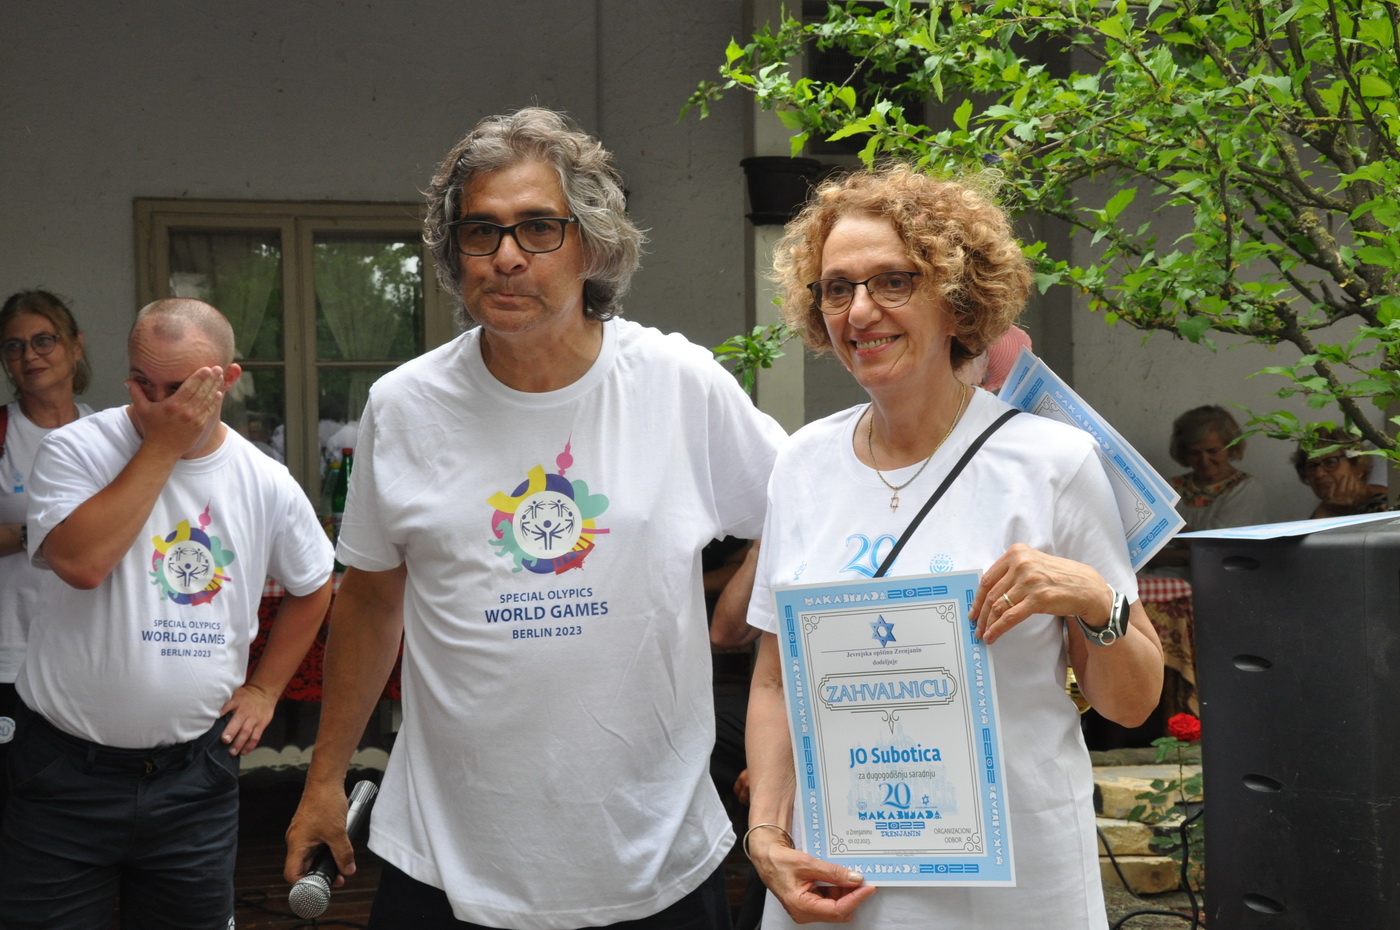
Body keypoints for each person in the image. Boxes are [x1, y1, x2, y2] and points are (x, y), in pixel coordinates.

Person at [283, 107, 786, 930]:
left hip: (650, 858)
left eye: (539, 228)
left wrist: (760, 640)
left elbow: (809, 512)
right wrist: (323, 779)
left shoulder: (677, 385)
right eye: (480, 232)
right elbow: (370, 601)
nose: (507, 256)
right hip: (447, 862)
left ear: (593, 244)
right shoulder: (405, 407)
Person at [741, 165, 1164, 928]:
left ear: (956, 297)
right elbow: (774, 681)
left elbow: (1131, 706)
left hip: (1014, 892)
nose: (859, 311)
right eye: (836, 288)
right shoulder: (802, 465)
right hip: (839, 884)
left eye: (892, 281)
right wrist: (767, 835)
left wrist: (1093, 599)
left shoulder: (1052, 463)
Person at [0, 298, 334, 929]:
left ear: (226, 381)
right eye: (141, 383)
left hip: (194, 779)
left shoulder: (264, 478)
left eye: (178, 389)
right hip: (64, 774)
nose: (157, 404)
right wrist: (162, 446)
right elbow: (81, 563)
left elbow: (315, 585)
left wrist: (265, 689)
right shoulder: (75, 448)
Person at [0, 290, 96, 825]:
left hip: (90, 653)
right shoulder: (3, 432)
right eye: (14, 346)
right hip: (11, 654)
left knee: (78, 808)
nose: (29, 355)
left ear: (75, 346)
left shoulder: (110, 433)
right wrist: (39, 534)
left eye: (43, 340)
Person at [1149, 404, 1268, 575]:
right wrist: (1191, 555)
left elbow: (1217, 550)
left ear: (1230, 447)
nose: (1204, 461)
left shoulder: (1245, 488)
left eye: (1212, 451)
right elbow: (1146, 554)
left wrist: (1173, 528)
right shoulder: (1169, 488)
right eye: (1195, 453)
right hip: (1161, 583)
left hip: (1220, 582)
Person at [1294, 427, 1388, 518]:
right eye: (1311, 466)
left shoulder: (1384, 509)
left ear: (1358, 466)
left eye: (1330, 462)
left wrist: (1328, 512)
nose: (1319, 474)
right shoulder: (1327, 506)